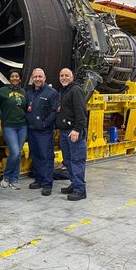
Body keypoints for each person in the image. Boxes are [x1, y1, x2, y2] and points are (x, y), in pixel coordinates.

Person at [55, 67, 89, 201]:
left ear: (72, 77)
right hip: (64, 132)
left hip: (73, 132)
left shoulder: (76, 90)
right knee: (68, 161)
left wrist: (77, 130)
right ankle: (75, 184)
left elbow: (81, 113)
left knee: (76, 161)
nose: (64, 77)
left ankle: (80, 190)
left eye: (66, 75)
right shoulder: (63, 91)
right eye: (61, 75)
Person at [25, 68, 59, 196]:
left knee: (46, 157)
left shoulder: (52, 93)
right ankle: (38, 180)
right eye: (35, 77)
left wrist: (45, 124)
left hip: (44, 132)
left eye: (40, 77)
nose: (38, 79)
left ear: (44, 78)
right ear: (32, 79)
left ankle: (47, 184)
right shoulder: (29, 93)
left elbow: (54, 111)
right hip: (32, 131)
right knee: (35, 156)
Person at [0, 69, 29, 189]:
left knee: (18, 153)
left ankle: (14, 179)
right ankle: (6, 177)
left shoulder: (24, 92)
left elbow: (27, 108)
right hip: (9, 126)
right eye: (12, 76)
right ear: (9, 78)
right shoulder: (2, 91)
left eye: (17, 76)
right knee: (14, 152)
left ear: (20, 79)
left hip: (22, 126)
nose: (15, 78)